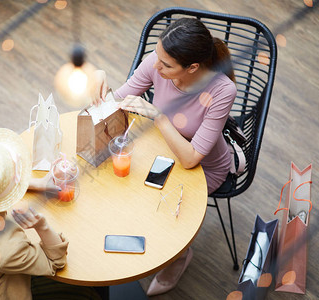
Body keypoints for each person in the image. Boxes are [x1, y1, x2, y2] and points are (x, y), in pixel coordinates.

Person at [92, 18, 237, 296]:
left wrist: (159, 117)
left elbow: (192, 158)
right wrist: (100, 85)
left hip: (203, 169)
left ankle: (179, 255)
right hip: (161, 152)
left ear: (192, 67)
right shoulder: (156, 62)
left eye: (166, 64)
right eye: (157, 57)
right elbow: (117, 103)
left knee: (158, 211)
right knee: (124, 189)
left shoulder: (221, 91)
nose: (155, 66)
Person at [0, 128, 100, 300]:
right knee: (87, 295)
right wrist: (41, 226)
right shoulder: (6, 248)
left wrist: (38, 184)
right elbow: (56, 261)